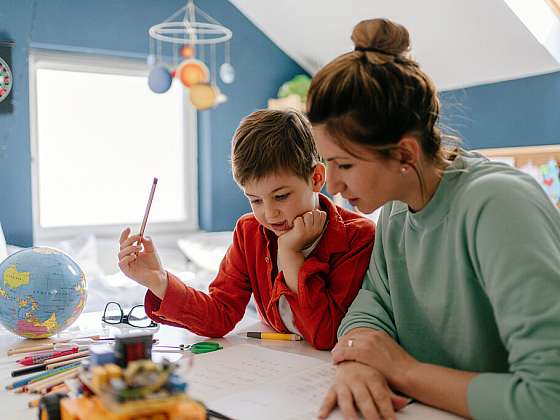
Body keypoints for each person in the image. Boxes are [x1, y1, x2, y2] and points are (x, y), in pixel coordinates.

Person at [307, 18, 560, 420]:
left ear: (405, 154)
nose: (332, 184)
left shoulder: (498, 205)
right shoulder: (394, 209)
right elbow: (370, 306)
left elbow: (549, 399)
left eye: (345, 165)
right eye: (327, 164)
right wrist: (357, 361)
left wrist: (402, 370)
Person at [117, 109, 375, 350]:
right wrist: (158, 280)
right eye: (255, 200)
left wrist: (290, 256)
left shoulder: (358, 237)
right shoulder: (249, 231)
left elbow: (326, 336)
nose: (270, 213)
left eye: (282, 196)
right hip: (274, 368)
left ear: (317, 178)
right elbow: (220, 315)